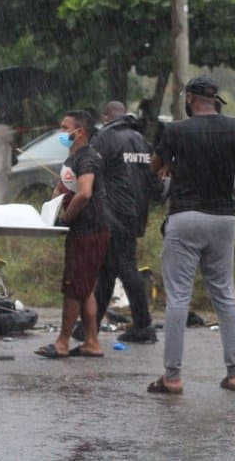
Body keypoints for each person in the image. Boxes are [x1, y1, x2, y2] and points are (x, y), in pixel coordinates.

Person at [149, 75, 235, 393]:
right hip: (223, 219)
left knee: (179, 298)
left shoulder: (176, 130)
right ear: (216, 100)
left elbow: (156, 166)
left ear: (189, 99)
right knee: (225, 295)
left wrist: (171, 166)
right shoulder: (234, 128)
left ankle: (172, 377)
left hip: (186, 216)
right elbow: (217, 164)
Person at [81, 101, 159, 344]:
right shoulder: (140, 139)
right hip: (136, 211)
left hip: (112, 213)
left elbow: (89, 171)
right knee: (108, 270)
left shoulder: (104, 138)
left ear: (106, 117)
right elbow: (153, 180)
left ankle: (144, 324)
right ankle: (89, 326)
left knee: (125, 267)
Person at [34, 110, 109, 359]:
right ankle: (91, 342)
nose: (61, 132)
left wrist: (66, 218)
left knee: (74, 287)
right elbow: (61, 188)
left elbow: (85, 193)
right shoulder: (72, 158)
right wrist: (47, 213)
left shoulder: (88, 158)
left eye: (65, 128)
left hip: (90, 230)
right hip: (80, 230)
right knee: (85, 287)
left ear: (80, 131)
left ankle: (62, 342)